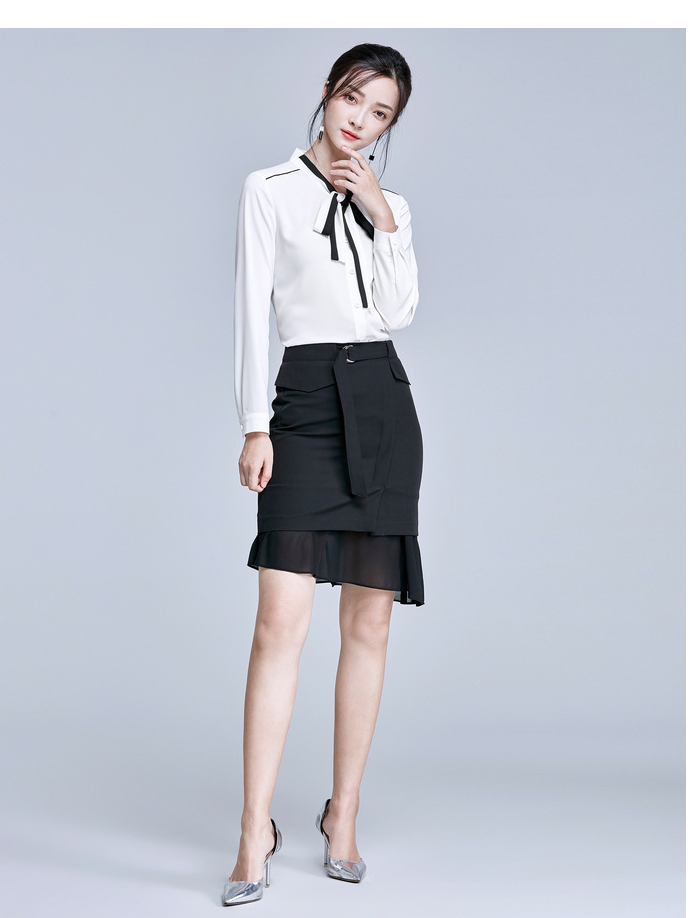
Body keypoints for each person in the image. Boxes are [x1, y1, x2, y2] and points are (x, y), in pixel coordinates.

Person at [223, 42, 424, 907]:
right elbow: (250, 313)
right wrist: (254, 424)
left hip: (381, 403)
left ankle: (344, 814)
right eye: (353, 99)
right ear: (327, 92)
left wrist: (380, 211)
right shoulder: (268, 189)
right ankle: (252, 831)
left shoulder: (391, 204)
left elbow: (398, 312)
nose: (360, 121)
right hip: (304, 404)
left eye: (380, 114)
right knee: (279, 624)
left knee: (369, 624)